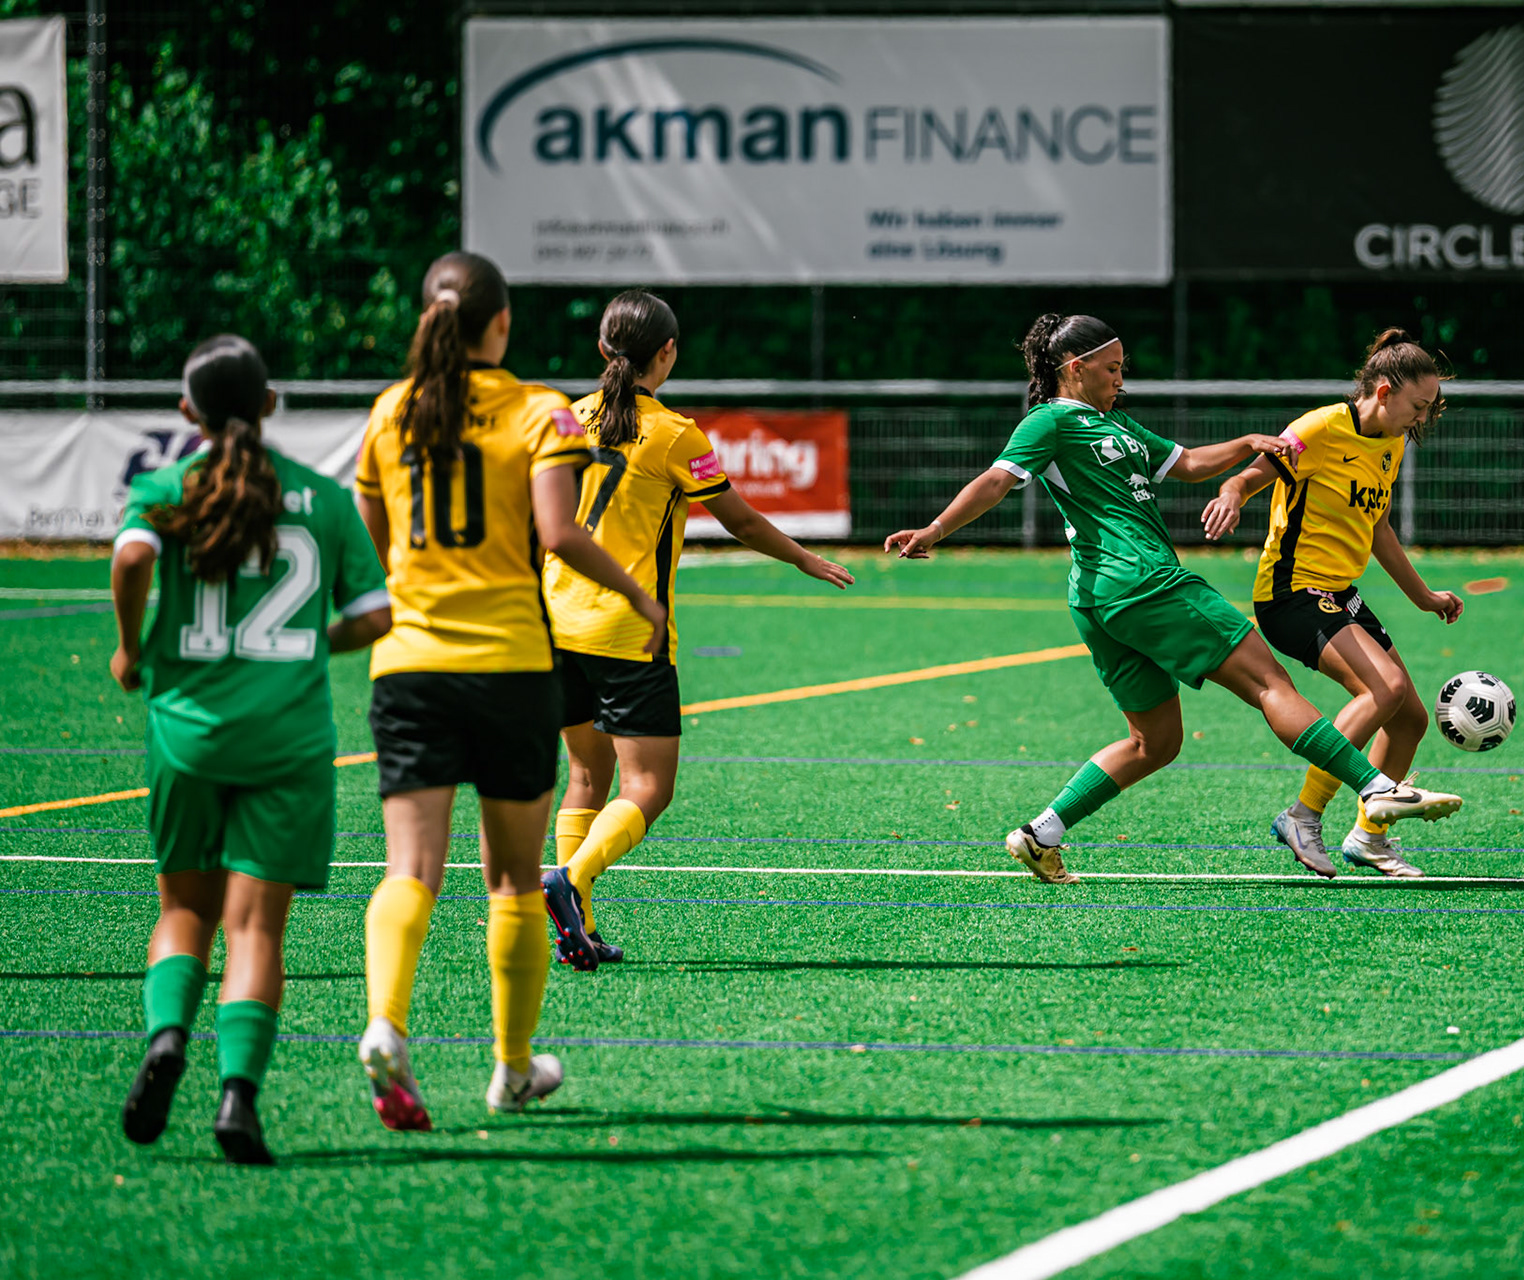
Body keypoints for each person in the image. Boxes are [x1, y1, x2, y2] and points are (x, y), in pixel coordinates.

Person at [883, 313, 1462, 883]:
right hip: (1144, 581)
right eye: (1111, 369)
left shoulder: (1120, 425)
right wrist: (935, 529)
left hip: (1099, 600)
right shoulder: (1050, 422)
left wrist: (1245, 444)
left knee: (1154, 742)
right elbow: (997, 480)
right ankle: (1374, 789)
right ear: (1074, 367)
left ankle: (1042, 832)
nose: (1120, 379)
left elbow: (1186, 465)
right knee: (1271, 685)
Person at [353, 253, 665, 1129]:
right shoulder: (538, 411)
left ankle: (386, 1022)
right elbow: (559, 532)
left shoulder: (390, 412)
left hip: (409, 664)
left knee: (409, 868)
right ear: (501, 325)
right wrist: (639, 594)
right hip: (510, 665)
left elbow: (373, 534)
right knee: (513, 881)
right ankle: (513, 1067)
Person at [112, 335, 392, 1165]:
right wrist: (313, 643)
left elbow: (131, 557)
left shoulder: (167, 487)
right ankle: (238, 1095)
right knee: (256, 929)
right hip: (288, 742)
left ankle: (167, 1040)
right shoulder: (322, 497)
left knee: (183, 912)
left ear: (186, 412)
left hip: (188, 733)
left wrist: (133, 647)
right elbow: (378, 616)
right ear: (271, 405)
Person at [540, 289, 855, 972]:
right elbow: (738, 520)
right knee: (648, 788)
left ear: (601, 348)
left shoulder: (563, 418)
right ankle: (571, 879)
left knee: (585, 775)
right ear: (668, 353)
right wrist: (806, 558)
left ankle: (579, 929)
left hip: (556, 622)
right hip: (629, 633)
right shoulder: (676, 433)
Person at [1202, 328, 1460, 878]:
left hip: (1339, 594)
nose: (1422, 418)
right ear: (1385, 391)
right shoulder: (1321, 428)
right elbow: (1253, 473)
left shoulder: (1389, 442)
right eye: (1418, 405)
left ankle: (1369, 837)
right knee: (1383, 689)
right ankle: (1303, 815)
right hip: (1290, 594)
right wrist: (1230, 492)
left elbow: (1379, 527)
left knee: (1410, 718)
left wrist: (1423, 597)